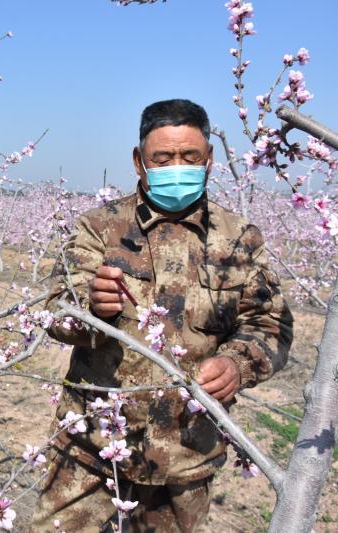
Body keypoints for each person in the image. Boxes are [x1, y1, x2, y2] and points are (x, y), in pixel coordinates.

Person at [31, 99, 293, 532]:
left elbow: (271, 325)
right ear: (139, 161)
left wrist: (237, 364)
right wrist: (89, 308)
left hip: (185, 458)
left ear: (209, 160)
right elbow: (55, 310)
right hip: (92, 446)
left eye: (190, 157)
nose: (177, 166)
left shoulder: (239, 239)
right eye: (163, 157)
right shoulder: (101, 227)